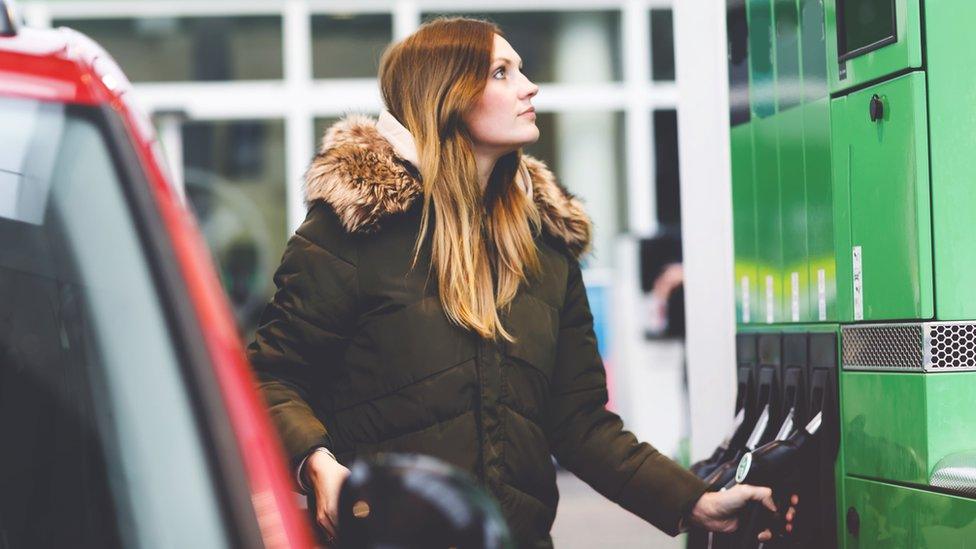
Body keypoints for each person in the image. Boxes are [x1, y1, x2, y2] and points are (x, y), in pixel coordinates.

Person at [247, 16, 796, 548]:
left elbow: (580, 424)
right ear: (448, 95)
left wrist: (695, 502)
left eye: (521, 70)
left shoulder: (545, 246)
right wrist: (316, 466)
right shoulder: (356, 229)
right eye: (502, 73)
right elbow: (271, 381)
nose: (530, 88)